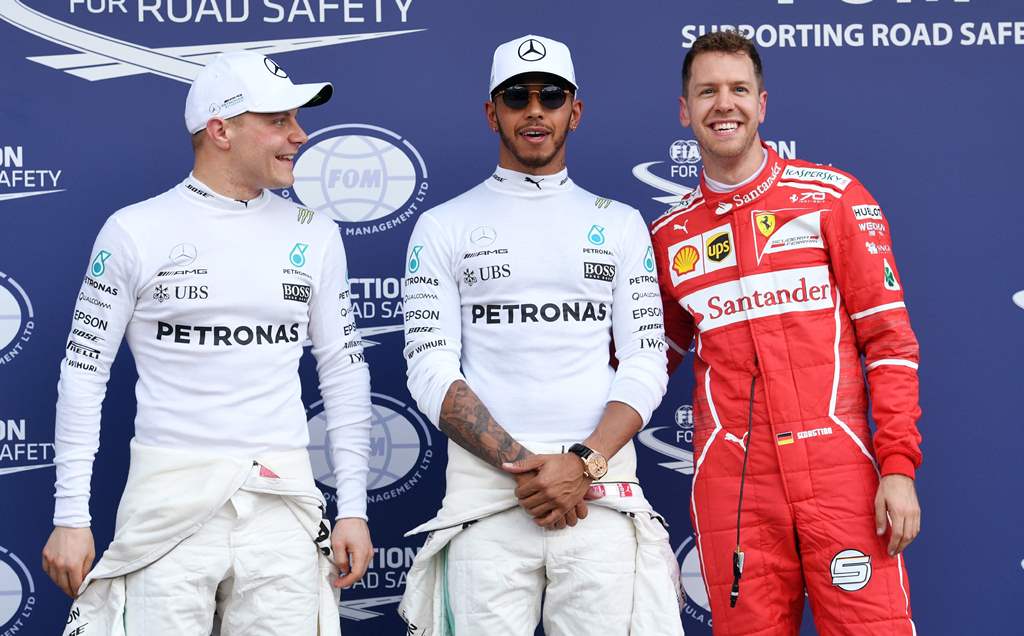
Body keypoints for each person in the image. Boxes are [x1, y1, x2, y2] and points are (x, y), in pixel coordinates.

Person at [42, 51, 373, 635]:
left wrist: (352, 507)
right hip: (167, 500)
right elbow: (83, 373)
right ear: (221, 129)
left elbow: (343, 371)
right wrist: (70, 515)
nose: (299, 135)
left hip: (282, 502)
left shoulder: (315, 233)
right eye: (278, 120)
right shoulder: (135, 230)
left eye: (295, 119)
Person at [397, 34, 684, 636]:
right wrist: (531, 470)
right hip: (488, 504)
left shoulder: (619, 223)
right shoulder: (441, 225)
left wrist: (583, 463)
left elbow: (645, 359)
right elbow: (429, 367)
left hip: (600, 499)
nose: (535, 110)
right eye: (516, 96)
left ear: (573, 112)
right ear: (491, 112)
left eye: (551, 96)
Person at [650, 31, 922, 635]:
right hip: (735, 489)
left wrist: (898, 466)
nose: (725, 104)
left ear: (762, 104)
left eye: (739, 89)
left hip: (842, 476)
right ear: (684, 109)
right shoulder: (668, 236)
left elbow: (889, 343)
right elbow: (643, 365)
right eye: (708, 91)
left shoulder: (831, 199)